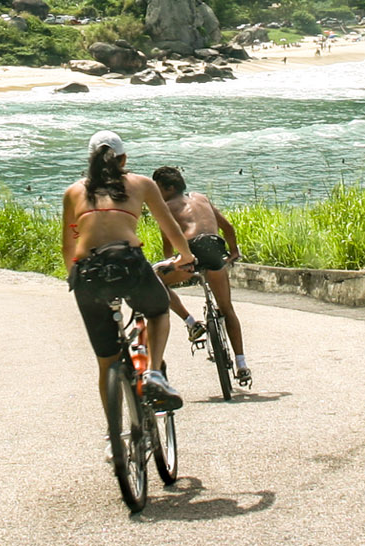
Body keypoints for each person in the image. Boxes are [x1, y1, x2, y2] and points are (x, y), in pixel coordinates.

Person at [63, 131, 194, 412]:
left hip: (88, 273)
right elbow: (169, 225)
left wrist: (73, 277)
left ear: (91, 159)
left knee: (107, 361)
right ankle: (154, 374)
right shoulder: (141, 183)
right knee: (158, 311)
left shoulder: (74, 192)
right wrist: (185, 256)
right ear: (123, 158)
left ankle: (114, 439)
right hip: (128, 263)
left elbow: (68, 249)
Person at [151, 166, 251, 386]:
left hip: (191, 253)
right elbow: (228, 227)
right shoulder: (202, 198)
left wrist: (172, 263)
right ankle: (242, 364)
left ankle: (190, 322)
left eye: (158, 189)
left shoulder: (166, 207)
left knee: (156, 283)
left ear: (169, 188)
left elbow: (169, 245)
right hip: (215, 249)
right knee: (227, 309)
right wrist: (233, 252)